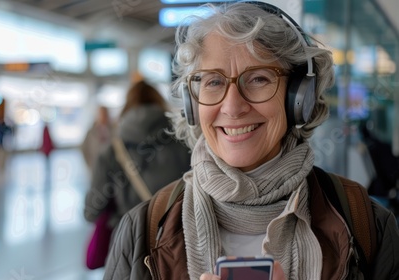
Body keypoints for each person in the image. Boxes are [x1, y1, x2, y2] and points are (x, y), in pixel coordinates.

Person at [103, 2, 399, 280]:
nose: (233, 107)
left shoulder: (367, 225)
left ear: (298, 98)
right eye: (213, 81)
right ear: (193, 105)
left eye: (258, 78)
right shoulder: (141, 231)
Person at [83, 80, 192, 242]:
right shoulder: (186, 143)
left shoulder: (111, 152)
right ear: (160, 103)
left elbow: (91, 212)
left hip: (129, 245)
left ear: (127, 106)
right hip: (177, 243)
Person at [81, 106, 113, 172]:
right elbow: (84, 148)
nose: (103, 117)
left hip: (110, 166)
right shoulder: (91, 132)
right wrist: (90, 164)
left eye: (105, 114)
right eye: (101, 114)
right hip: (95, 165)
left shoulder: (113, 130)